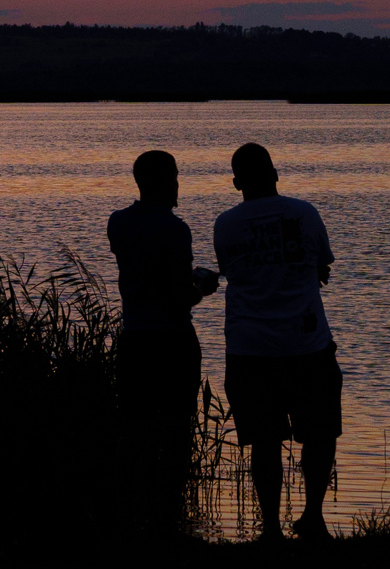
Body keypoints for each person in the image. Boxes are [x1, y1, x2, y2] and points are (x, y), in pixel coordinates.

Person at [211, 141, 339, 541]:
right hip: (307, 345)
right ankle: (313, 518)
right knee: (318, 435)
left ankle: (269, 528)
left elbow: (232, 270)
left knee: (263, 442)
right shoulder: (304, 212)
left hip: (249, 349)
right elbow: (322, 267)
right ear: (276, 174)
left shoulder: (225, 224)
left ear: (236, 183)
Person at [107, 151, 220, 536]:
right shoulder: (175, 229)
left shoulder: (118, 223)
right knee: (175, 431)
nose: (178, 184)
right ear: (162, 182)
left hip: (134, 339)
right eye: (175, 177)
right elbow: (179, 294)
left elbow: (147, 268)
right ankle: (166, 521)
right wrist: (202, 286)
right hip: (172, 341)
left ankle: (123, 516)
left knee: (132, 428)